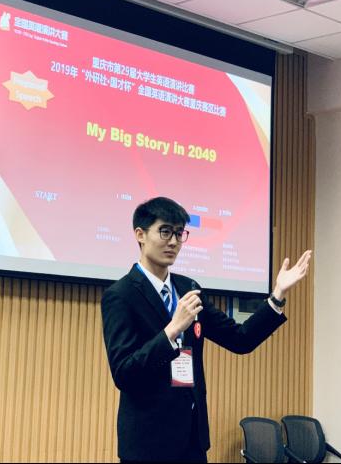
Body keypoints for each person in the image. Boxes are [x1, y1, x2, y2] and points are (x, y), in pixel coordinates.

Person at [101, 196, 312, 463]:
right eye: (165, 231)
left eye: (179, 233)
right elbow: (124, 373)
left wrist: (277, 295)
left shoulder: (189, 288)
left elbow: (240, 339)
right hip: (148, 444)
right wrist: (172, 331)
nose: (174, 241)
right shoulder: (121, 295)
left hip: (192, 440)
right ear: (140, 234)